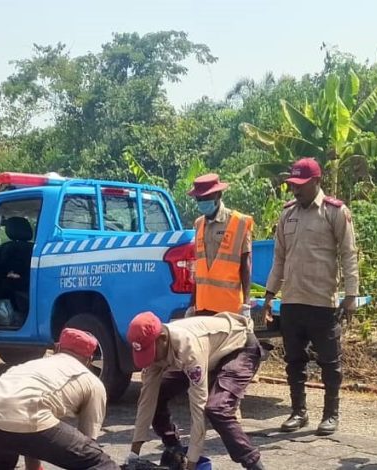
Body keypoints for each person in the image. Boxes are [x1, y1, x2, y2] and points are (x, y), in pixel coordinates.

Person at [261, 158, 359, 435]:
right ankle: (298, 412)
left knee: (330, 362)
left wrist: (351, 294)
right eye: (293, 185)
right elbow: (279, 258)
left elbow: (349, 254)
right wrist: (269, 295)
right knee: (294, 361)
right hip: (292, 301)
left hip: (322, 302)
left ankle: (331, 414)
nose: (296, 191)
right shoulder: (287, 214)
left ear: (317, 182)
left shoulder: (335, 212)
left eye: (301, 185)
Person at [0, 328, 119, 470]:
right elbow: (86, 445)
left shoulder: (31, 365)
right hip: (24, 418)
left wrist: (34, 467)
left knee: (3, 460)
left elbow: (30, 430)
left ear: (57, 348)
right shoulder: (92, 382)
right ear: (89, 359)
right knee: (98, 462)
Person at [125, 311, 264, 470]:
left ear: (162, 338)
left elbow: (198, 411)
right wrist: (133, 455)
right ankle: (174, 449)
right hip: (210, 354)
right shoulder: (155, 348)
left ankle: (254, 464)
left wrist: (192, 464)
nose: (151, 359)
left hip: (240, 349)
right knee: (158, 395)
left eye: (151, 352)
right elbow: (146, 401)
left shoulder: (189, 348)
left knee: (217, 408)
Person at [186, 173, 253, 319]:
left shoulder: (238, 222)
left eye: (206, 198)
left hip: (229, 307)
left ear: (218, 195)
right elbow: (199, 269)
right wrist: (192, 304)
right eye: (198, 199)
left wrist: (246, 303)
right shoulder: (198, 224)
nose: (201, 201)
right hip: (203, 306)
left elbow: (246, 264)